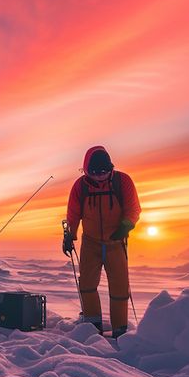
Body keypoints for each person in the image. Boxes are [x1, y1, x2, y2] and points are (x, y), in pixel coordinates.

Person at [62, 145, 141, 338]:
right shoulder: (80, 187)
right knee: (87, 285)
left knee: (120, 288)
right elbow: (73, 214)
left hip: (116, 242)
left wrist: (126, 226)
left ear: (110, 168)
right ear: (87, 170)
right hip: (91, 243)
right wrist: (69, 236)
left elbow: (133, 208)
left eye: (104, 172)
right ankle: (92, 326)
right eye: (95, 173)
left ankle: (120, 329)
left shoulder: (122, 182)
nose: (100, 176)